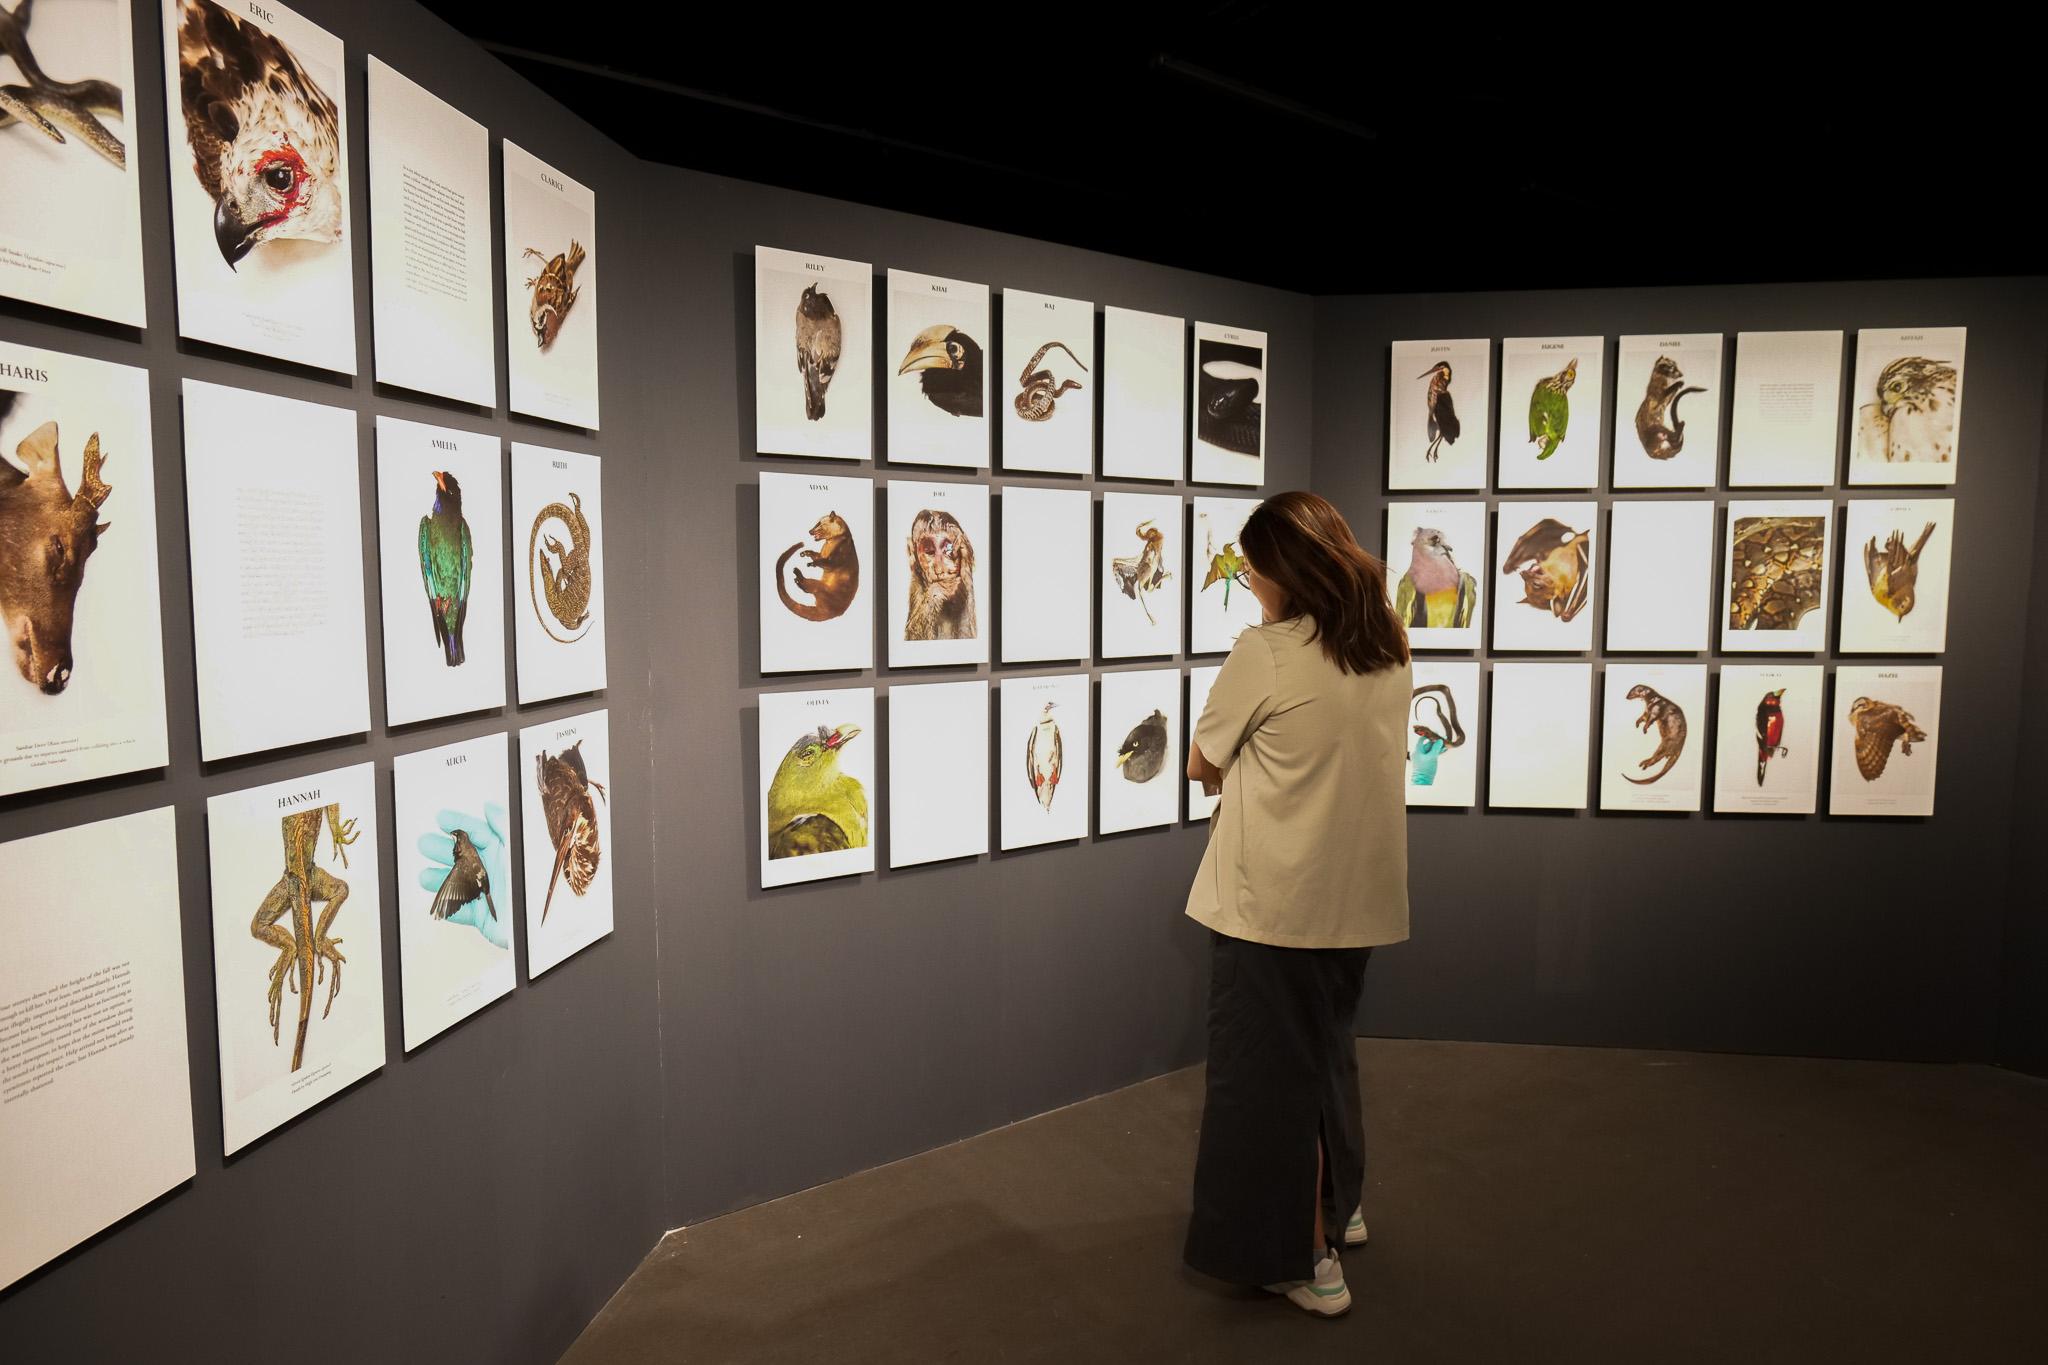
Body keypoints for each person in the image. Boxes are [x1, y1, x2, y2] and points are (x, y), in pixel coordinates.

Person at [1181, 490, 1411, 1318]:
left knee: (1265, 1083)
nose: (1249, 585)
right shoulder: (1385, 641)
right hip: (1357, 899)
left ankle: (1305, 1259)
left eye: (1253, 570)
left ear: (1285, 570)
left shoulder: (1267, 652)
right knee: (1323, 1054)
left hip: (1274, 903)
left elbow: (1202, 762)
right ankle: (1339, 1206)